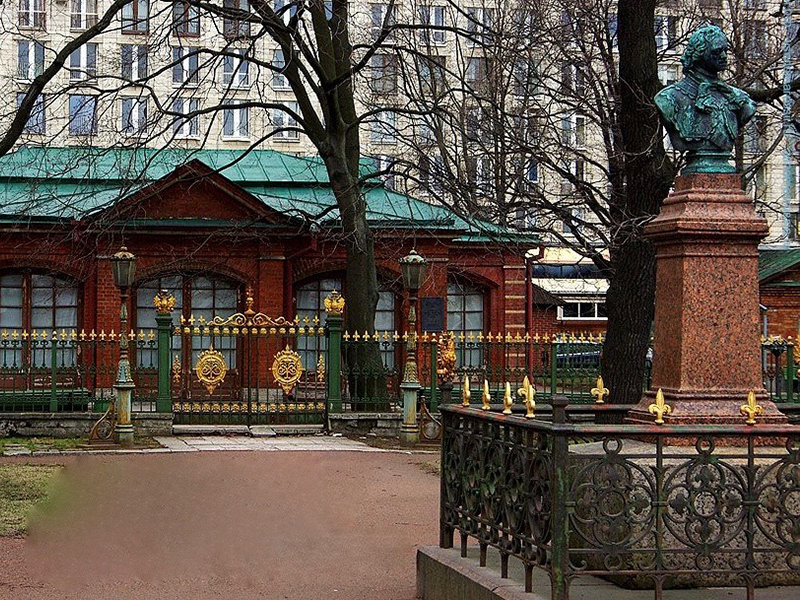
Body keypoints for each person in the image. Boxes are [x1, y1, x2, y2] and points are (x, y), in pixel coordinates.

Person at [654, 24, 756, 173]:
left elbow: (747, 111)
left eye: (725, 51)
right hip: (694, 172)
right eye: (717, 51)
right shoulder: (669, 98)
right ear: (699, 53)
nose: (724, 56)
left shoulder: (740, 99)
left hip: (725, 171)